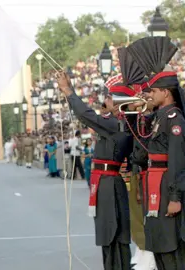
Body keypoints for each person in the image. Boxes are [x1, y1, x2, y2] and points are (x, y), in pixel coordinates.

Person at [128, 36, 185, 269]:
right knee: (159, 246)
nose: (149, 95)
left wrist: (176, 197)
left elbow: (178, 160)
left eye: (154, 91)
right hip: (154, 186)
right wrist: (140, 119)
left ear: (166, 93)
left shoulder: (174, 119)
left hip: (168, 189)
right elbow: (140, 155)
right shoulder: (156, 119)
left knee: (173, 247)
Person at [57, 71, 133, 269]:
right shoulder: (115, 123)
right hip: (104, 181)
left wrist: (68, 91)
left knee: (111, 233)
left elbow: (85, 115)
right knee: (107, 233)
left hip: (109, 183)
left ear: (119, 103)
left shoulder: (116, 124)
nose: (105, 100)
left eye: (109, 97)